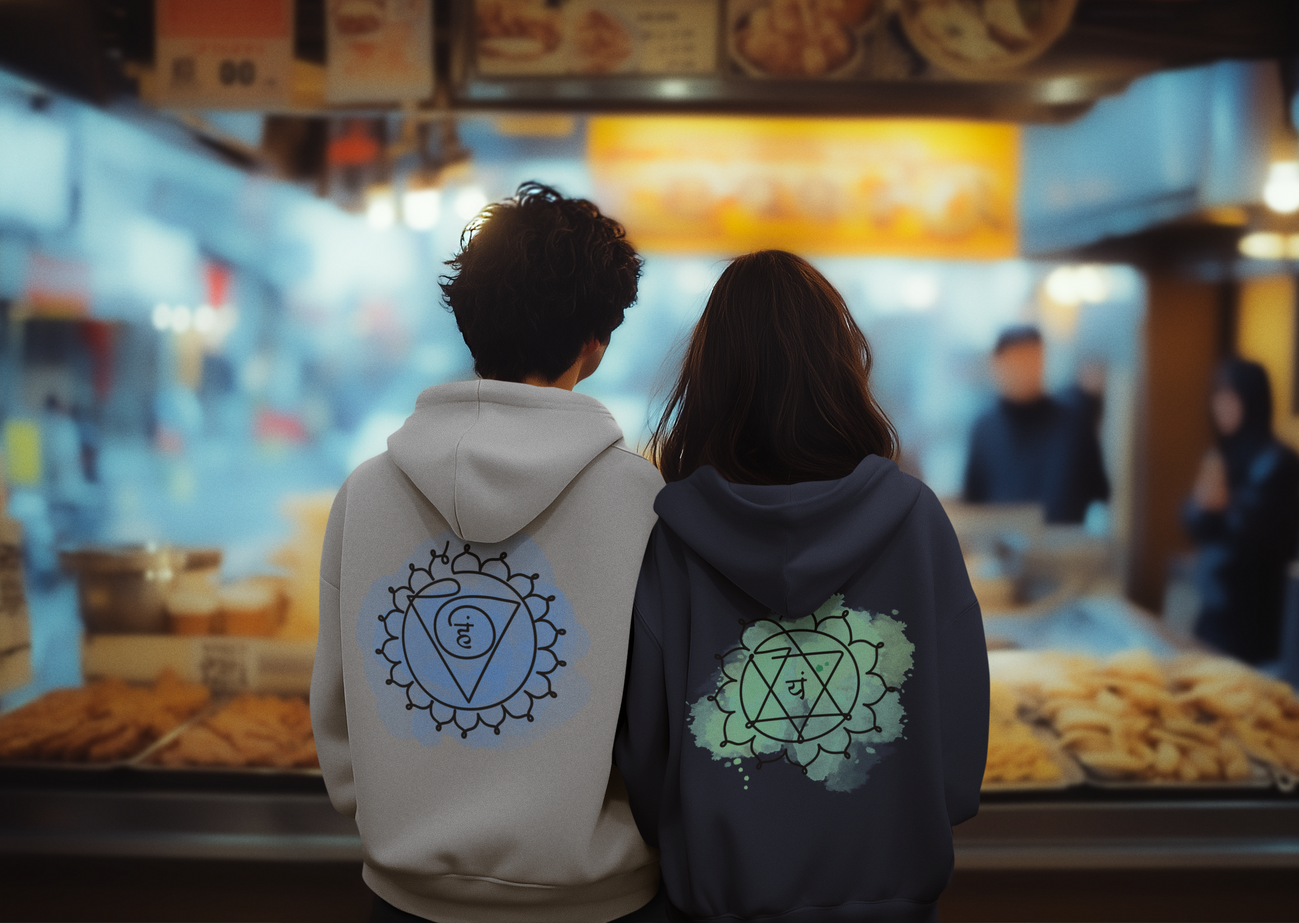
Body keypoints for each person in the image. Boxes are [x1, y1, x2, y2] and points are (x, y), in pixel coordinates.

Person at [312, 183, 665, 923]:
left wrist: (390, 820)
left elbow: (335, 704)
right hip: (598, 898)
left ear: (469, 325)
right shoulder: (641, 500)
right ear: (595, 346)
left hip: (405, 894)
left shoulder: (367, 492)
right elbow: (656, 717)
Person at [614, 251, 989, 922]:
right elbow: (958, 759)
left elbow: (645, 752)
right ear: (840, 366)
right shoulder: (914, 520)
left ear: (711, 378)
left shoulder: (673, 537)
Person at [1184, 358, 1299, 665]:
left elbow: (1263, 539)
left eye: (1231, 396)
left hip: (1257, 621)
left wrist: (1220, 508)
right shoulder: (1222, 455)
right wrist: (1204, 508)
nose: (1221, 405)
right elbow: (1192, 518)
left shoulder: (1280, 463)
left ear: (1253, 399)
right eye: (1217, 395)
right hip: (1214, 613)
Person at [962, 325, 1110, 524]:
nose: (1026, 370)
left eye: (1034, 360)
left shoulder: (1073, 424)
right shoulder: (984, 428)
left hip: (1063, 549)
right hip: (1001, 546)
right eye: (1018, 361)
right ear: (997, 364)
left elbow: (1100, 493)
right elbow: (974, 502)